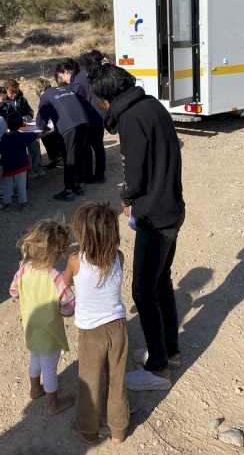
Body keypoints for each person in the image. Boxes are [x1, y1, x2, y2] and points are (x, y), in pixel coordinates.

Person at [89, 62, 185, 392]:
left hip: (155, 217)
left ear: (106, 97)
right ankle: (169, 352)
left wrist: (126, 196)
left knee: (143, 291)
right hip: (171, 208)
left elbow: (135, 173)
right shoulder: (151, 105)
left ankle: (159, 370)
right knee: (161, 283)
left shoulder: (130, 118)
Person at [64, 202, 129, 445]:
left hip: (91, 331)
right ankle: (118, 431)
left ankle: (88, 431)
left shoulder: (75, 260)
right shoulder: (118, 257)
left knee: (90, 382)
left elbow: (65, 282)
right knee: (117, 378)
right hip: (118, 327)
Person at [9, 219, 75, 415]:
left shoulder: (23, 270)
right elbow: (69, 305)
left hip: (30, 327)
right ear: (57, 252)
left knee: (34, 358)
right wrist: (63, 312)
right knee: (49, 367)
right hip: (49, 332)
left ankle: (34, 388)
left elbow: (13, 292)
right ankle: (53, 404)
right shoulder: (56, 277)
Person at [36, 76, 89, 202]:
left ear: (39, 92)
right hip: (84, 122)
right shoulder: (65, 89)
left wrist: (42, 126)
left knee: (69, 158)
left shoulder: (45, 96)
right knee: (80, 154)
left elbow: (40, 123)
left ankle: (68, 191)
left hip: (70, 127)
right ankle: (80, 185)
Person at [55, 56, 106, 183]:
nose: (64, 80)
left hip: (88, 119)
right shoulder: (84, 74)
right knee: (99, 147)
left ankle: (88, 176)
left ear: (67, 71)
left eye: (62, 77)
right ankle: (100, 176)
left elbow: (75, 103)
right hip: (99, 115)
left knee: (86, 148)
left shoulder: (77, 83)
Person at [4, 78, 45, 178]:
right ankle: (28, 169)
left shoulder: (21, 99)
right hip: (11, 131)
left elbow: (30, 110)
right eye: (11, 92)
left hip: (25, 128)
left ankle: (37, 166)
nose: (14, 94)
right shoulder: (3, 102)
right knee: (22, 145)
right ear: (5, 91)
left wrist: (29, 116)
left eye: (16, 91)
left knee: (34, 142)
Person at [0, 112, 36, 212]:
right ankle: (24, 204)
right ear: (20, 124)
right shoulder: (21, 137)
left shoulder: (4, 137)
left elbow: (0, 150)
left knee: (8, 187)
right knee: (21, 185)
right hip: (20, 166)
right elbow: (32, 136)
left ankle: (7, 204)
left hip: (8, 167)